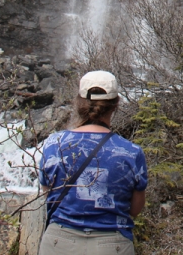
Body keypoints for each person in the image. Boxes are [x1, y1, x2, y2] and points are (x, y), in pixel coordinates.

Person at [38, 71, 147, 255]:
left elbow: (48, 195)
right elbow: (135, 209)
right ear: (116, 105)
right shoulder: (132, 152)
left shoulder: (53, 144)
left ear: (79, 102)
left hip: (59, 243)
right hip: (112, 244)